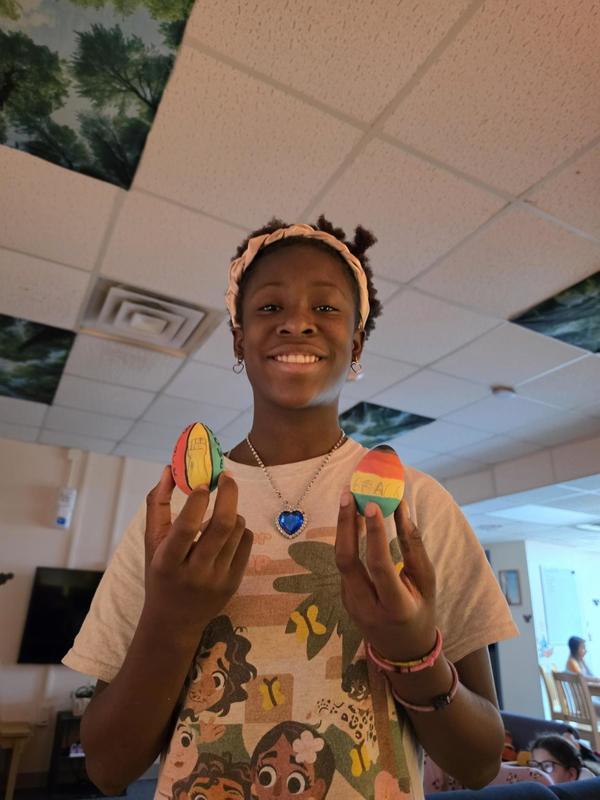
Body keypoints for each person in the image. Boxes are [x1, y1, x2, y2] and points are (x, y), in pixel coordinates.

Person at [62, 217, 518, 800]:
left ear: (355, 343)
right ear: (237, 338)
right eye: (269, 307)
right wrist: (171, 622)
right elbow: (106, 767)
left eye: (326, 309)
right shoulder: (181, 512)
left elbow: (480, 763)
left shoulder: (416, 505)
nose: (297, 321)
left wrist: (413, 654)